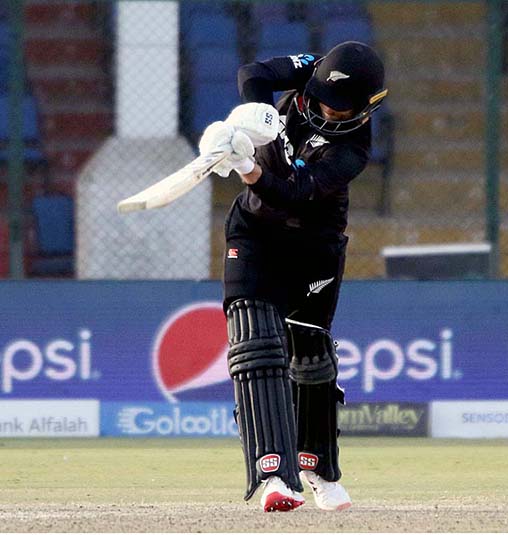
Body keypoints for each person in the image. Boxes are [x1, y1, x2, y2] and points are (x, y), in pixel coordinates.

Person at [197, 41, 387, 512]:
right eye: (323, 95)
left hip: (313, 247)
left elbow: (295, 191)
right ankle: (274, 476)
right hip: (255, 234)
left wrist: (246, 165)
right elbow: (254, 72)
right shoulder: (312, 68)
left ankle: (317, 468)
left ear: (363, 108)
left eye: (339, 106)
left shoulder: (353, 152)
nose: (325, 107)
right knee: (256, 347)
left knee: (311, 358)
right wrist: (250, 121)